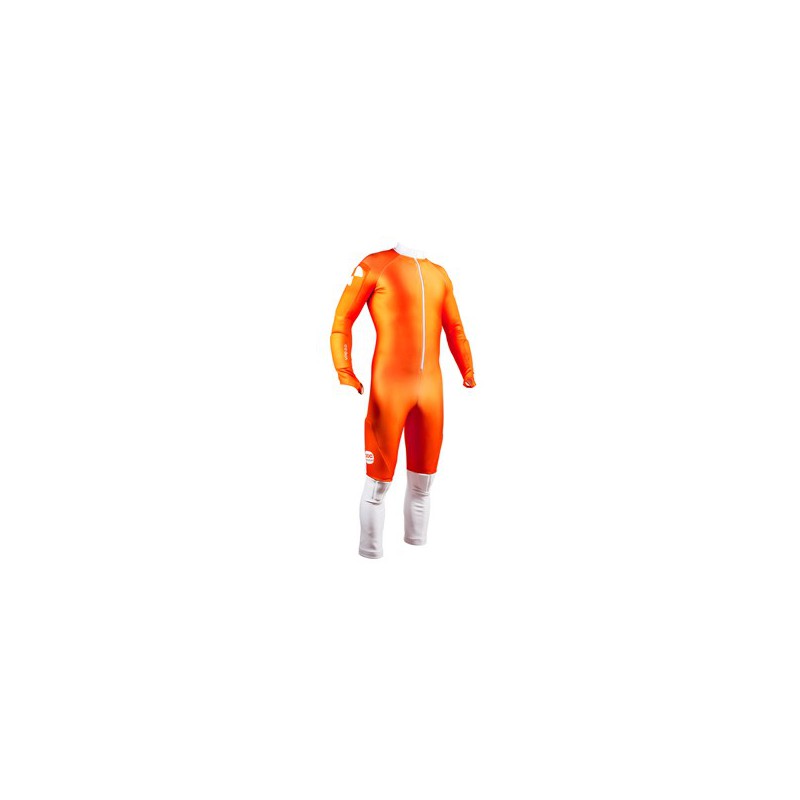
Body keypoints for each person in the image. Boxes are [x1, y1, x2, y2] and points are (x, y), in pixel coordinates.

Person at [330, 242, 476, 558]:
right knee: (378, 486)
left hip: (431, 393)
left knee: (424, 484)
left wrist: (468, 369)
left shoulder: (440, 274)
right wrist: (345, 370)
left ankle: (417, 555)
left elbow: (455, 328)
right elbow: (343, 319)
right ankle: (370, 554)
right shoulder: (375, 264)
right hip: (390, 389)